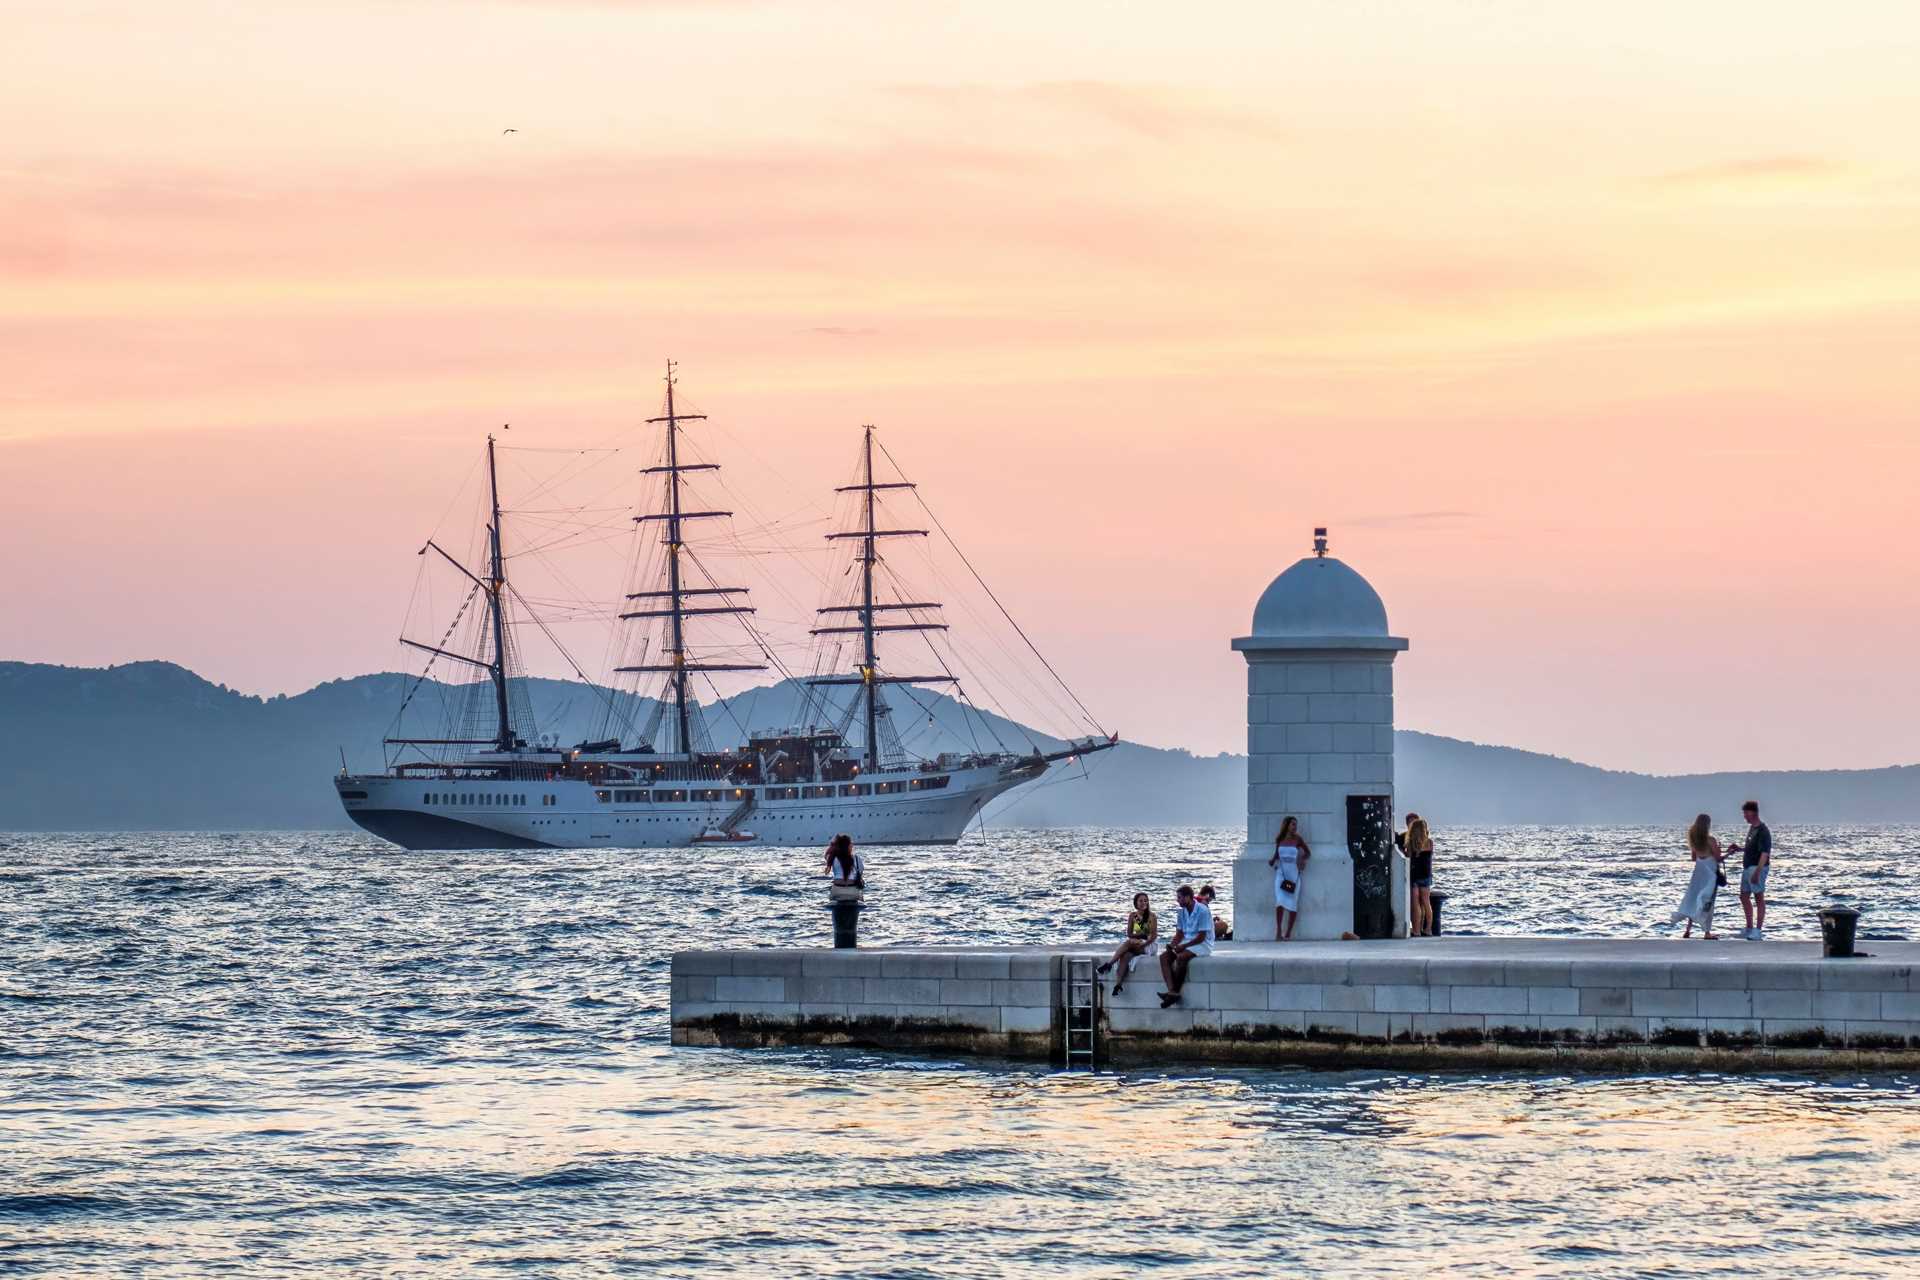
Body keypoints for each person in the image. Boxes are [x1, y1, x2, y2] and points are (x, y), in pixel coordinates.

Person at [1157, 884, 1214, 1007]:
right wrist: (1172, 945)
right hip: (1187, 942)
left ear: (1188, 897)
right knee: (1164, 957)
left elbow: (1201, 937)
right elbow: (1180, 933)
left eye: (1180, 898)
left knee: (1181, 957)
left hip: (1203, 944)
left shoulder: (1203, 910)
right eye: (1178, 898)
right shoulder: (1181, 912)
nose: (1178, 900)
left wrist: (1183, 946)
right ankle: (1172, 991)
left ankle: (1173, 993)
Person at [1669, 813, 1723, 939]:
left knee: (1694, 899)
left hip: (1698, 873)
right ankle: (1707, 932)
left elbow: (1694, 858)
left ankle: (1688, 930)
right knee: (1708, 901)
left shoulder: (1695, 840)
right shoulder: (1711, 840)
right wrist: (1729, 852)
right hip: (1710, 874)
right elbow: (1718, 858)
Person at [1095, 892, 1157, 995]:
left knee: (1129, 943)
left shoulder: (1152, 916)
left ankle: (1109, 964)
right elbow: (1129, 933)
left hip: (1149, 945)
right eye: (1140, 901)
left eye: (1145, 900)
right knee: (1125, 956)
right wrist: (1139, 938)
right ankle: (1118, 985)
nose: (1143, 903)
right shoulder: (1133, 916)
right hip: (1136, 943)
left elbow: (1153, 936)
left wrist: (1143, 943)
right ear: (1136, 903)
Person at [1268, 816, 1311, 941]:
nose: (1295, 827)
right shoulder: (1280, 839)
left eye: (1296, 825)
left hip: (1294, 874)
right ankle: (1278, 931)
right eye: (1293, 824)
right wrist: (1272, 860)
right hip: (1281, 874)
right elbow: (1277, 854)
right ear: (1286, 825)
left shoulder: (1298, 839)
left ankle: (1288, 933)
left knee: (1293, 903)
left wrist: (1302, 860)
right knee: (1280, 901)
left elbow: (1308, 852)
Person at [1734, 800, 1773, 941]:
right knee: (1744, 896)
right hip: (1747, 866)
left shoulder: (1763, 831)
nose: (1744, 816)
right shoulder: (1752, 829)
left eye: (1746, 813)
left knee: (1758, 897)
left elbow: (1764, 853)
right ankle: (1749, 927)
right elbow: (1753, 848)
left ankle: (1758, 930)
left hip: (1757, 867)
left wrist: (1758, 872)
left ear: (1753, 812)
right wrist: (1740, 849)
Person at [1405, 815, 1435, 937]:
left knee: (1415, 904)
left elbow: (1407, 857)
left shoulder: (1410, 843)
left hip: (1414, 876)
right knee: (1426, 903)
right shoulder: (1429, 843)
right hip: (1426, 875)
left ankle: (1416, 930)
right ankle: (1428, 929)